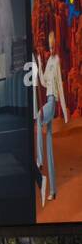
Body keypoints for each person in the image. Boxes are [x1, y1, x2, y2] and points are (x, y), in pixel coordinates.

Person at [37, 31, 71, 205]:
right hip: (48, 97)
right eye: (49, 47)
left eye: (52, 46)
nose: (51, 49)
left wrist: (64, 111)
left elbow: (60, 86)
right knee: (50, 147)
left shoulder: (56, 61)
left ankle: (39, 160)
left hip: (52, 101)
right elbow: (43, 83)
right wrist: (39, 62)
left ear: (55, 46)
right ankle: (53, 191)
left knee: (38, 116)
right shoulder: (48, 61)